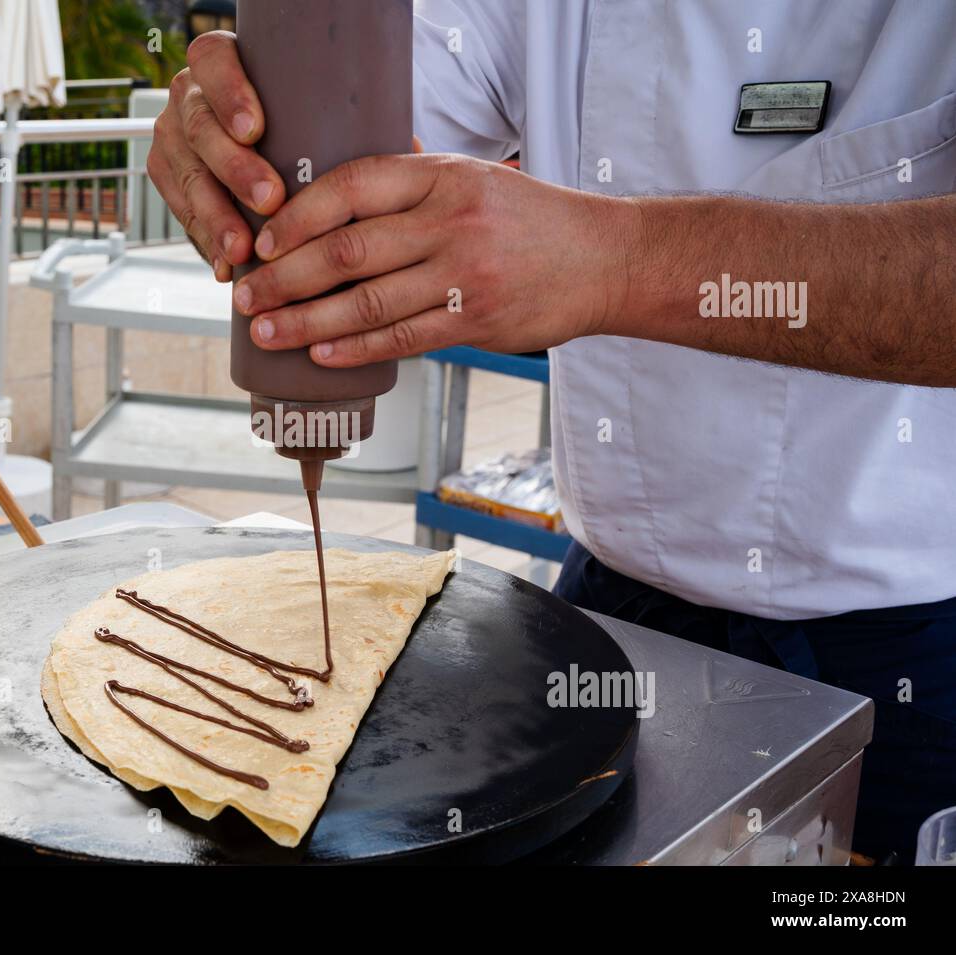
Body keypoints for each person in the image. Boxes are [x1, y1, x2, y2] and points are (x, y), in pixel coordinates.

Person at [145, 0, 956, 861]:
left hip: (914, 648)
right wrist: (248, 135)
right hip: (613, 607)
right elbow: (372, 103)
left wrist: (613, 261)